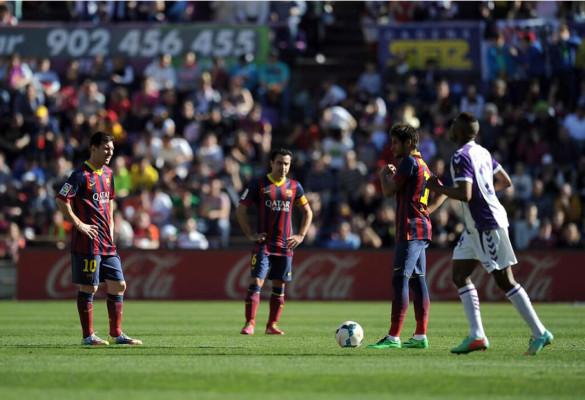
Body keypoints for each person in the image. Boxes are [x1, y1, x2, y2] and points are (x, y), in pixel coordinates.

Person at [426, 112, 552, 356]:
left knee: (505, 280)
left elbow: (466, 194)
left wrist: (437, 188)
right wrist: (487, 193)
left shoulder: (460, 156)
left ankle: (540, 332)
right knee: (459, 274)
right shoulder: (482, 152)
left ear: (460, 132)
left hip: (486, 224)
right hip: (475, 227)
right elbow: (504, 181)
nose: (450, 129)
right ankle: (477, 335)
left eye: (453, 126)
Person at [55, 132, 142, 346]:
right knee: (89, 288)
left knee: (119, 285)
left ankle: (117, 334)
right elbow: (61, 199)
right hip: (87, 241)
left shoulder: (108, 174)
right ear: (93, 148)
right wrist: (79, 224)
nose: (110, 153)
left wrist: (111, 225)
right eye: (105, 148)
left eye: (112, 149)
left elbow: (110, 200)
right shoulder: (79, 175)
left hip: (106, 241)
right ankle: (88, 336)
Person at [368, 123, 444, 350]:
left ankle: (393, 337)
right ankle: (420, 336)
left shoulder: (410, 162)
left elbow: (389, 191)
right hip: (423, 229)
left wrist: (384, 176)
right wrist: (427, 211)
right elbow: (442, 191)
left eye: (395, 143)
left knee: (400, 279)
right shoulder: (424, 165)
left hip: (409, 229)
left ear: (408, 144)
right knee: (418, 281)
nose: (392, 148)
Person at [235, 148, 313, 335]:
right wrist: (250, 234)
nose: (283, 167)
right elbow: (240, 210)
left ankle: (272, 325)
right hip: (264, 245)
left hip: (285, 246)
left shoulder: (295, 187)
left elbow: (308, 212)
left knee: (279, 287)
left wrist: (301, 235)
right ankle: (250, 323)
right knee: (256, 282)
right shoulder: (259, 184)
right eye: (279, 163)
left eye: (286, 163)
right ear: (271, 163)